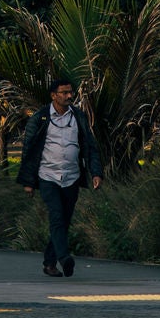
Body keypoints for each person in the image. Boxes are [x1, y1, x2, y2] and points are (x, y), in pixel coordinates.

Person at [16, 77, 103, 278]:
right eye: (64, 93)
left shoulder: (78, 117)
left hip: (71, 176)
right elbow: (28, 150)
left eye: (70, 92)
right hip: (48, 176)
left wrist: (96, 173)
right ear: (53, 95)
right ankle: (64, 258)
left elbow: (90, 146)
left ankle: (49, 263)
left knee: (64, 220)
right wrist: (28, 182)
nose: (69, 96)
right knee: (56, 216)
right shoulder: (40, 118)